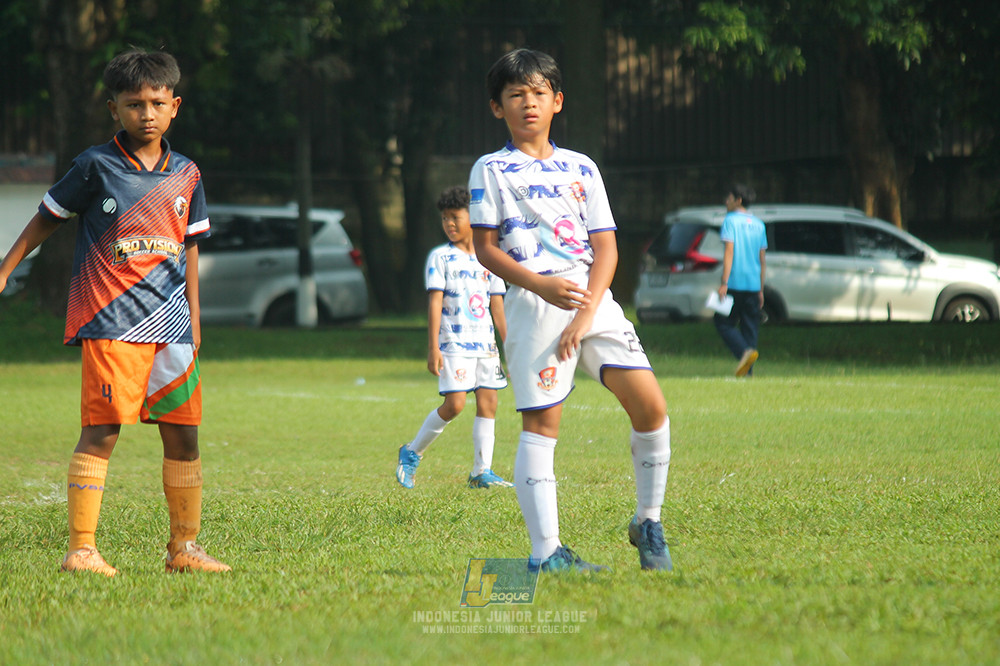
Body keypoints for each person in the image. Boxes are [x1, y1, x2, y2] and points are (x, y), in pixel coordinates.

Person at [0, 49, 230, 576]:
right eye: (133, 104)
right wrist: (6, 267)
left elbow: (190, 248)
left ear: (175, 106)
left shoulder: (187, 174)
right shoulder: (94, 165)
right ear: (113, 110)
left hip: (172, 327)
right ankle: (82, 548)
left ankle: (183, 549)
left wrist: (195, 318)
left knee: (184, 432)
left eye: (155, 103)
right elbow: (47, 217)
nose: (145, 114)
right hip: (111, 321)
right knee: (103, 430)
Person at [469, 49, 673, 572]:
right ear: (498, 108)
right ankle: (546, 554)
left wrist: (585, 313)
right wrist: (540, 286)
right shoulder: (490, 169)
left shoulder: (582, 166)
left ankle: (648, 521)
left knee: (650, 408)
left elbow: (606, 247)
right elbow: (487, 247)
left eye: (538, 93)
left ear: (557, 101)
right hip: (534, 307)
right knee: (542, 424)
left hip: (593, 302)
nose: (528, 103)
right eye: (515, 95)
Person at [396, 186, 513, 490]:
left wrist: (509, 346)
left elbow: (497, 306)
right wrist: (433, 346)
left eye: (455, 217)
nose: (449, 224)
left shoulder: (492, 258)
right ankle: (411, 452)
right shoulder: (440, 258)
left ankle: (481, 472)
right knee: (456, 405)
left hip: (485, 346)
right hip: (454, 345)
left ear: (472, 218)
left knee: (489, 403)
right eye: (445, 219)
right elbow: (435, 303)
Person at [715, 184, 767, 377]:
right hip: (753, 285)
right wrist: (761, 289)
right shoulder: (759, 224)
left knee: (722, 322)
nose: (726, 201)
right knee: (750, 328)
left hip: (735, 282)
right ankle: (748, 373)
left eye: (729, 198)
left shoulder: (730, 221)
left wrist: (724, 282)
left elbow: (729, 251)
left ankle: (744, 352)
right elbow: (762, 260)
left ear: (738, 200)